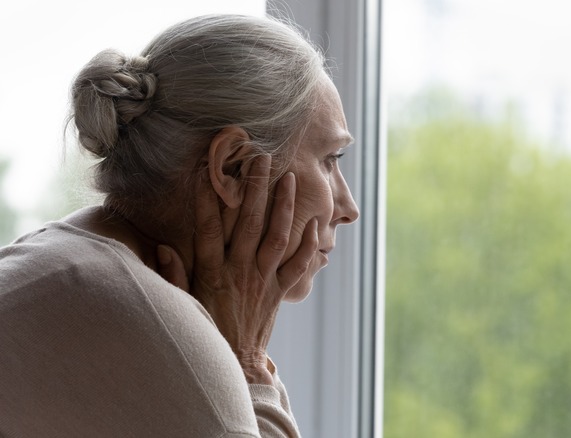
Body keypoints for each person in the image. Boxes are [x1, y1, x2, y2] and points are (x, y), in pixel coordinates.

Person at [0, 13, 359, 437]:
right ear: (232, 166)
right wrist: (246, 363)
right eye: (330, 160)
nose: (348, 207)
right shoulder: (142, 323)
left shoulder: (63, 264)